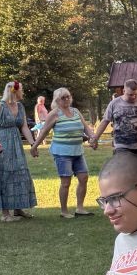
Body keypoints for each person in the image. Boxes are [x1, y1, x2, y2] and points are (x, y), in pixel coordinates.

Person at [31, 88, 96, 218]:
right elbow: (44, 131)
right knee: (66, 182)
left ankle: (80, 208)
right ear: (57, 100)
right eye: (63, 98)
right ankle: (64, 211)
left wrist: (93, 138)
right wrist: (34, 146)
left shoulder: (76, 111)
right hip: (62, 153)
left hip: (77, 151)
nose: (66, 99)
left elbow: (85, 127)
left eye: (68, 96)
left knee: (83, 178)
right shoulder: (54, 114)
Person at [0, 80, 38, 222]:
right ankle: (5, 213)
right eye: (21, 90)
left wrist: (33, 144)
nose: (22, 92)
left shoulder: (20, 106)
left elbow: (24, 127)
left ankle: (18, 209)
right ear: (15, 91)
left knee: (18, 173)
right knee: (4, 174)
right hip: (1, 143)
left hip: (16, 143)